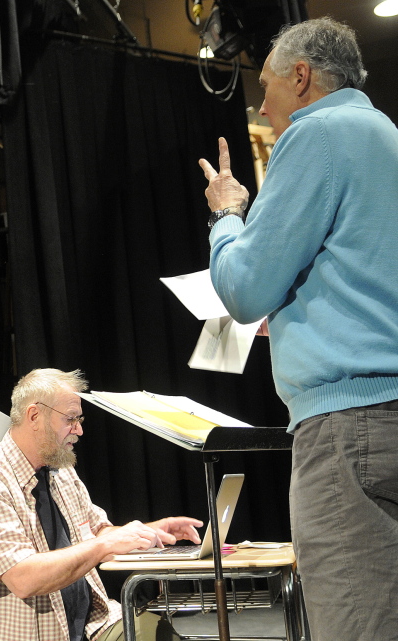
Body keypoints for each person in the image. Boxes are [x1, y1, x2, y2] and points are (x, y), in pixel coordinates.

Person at [197, 17, 398, 641]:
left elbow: (245, 286)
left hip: (348, 430)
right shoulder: (385, 134)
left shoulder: (317, 135)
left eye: (266, 86)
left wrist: (229, 216)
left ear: (302, 77)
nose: (261, 104)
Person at [0, 368, 201, 641]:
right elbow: (24, 579)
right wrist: (104, 544)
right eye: (70, 419)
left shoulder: (60, 470)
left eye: (79, 419)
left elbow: (97, 532)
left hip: (90, 624)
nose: (79, 430)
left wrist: (146, 531)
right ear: (34, 416)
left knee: (160, 635)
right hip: (32, 635)